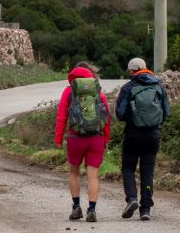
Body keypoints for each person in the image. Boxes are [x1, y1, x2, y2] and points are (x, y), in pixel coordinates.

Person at [54, 61, 111, 221]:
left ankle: (76, 207)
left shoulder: (68, 91)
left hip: (75, 138)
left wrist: (58, 139)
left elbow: (61, 117)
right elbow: (106, 116)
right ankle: (91, 209)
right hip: (96, 138)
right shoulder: (97, 91)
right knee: (93, 175)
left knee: (74, 172)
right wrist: (106, 137)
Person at [114, 57, 169, 221]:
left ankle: (132, 199)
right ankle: (145, 209)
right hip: (153, 135)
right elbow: (166, 112)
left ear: (132, 71)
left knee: (128, 168)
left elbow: (120, 114)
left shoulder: (128, 87)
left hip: (133, 134)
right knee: (147, 171)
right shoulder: (158, 86)